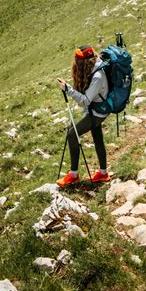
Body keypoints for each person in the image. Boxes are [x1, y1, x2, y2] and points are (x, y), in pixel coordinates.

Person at [56, 45, 110, 187]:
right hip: (96, 110)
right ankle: (103, 173)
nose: (76, 62)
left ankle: (74, 175)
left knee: (72, 134)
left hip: (98, 112)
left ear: (85, 61)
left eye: (78, 59)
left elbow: (85, 100)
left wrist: (68, 89)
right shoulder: (93, 67)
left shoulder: (97, 76)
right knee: (97, 137)